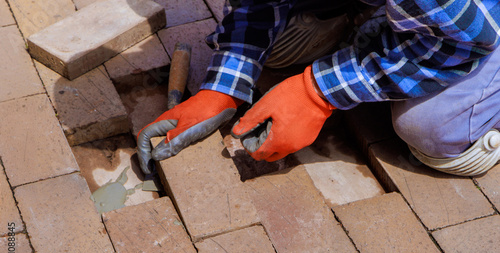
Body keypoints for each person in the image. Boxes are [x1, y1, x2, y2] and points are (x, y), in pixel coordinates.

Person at [137, 0, 500, 177]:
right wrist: (225, 84)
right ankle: (393, 19)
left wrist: (318, 92)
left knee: (435, 129)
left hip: (476, 24)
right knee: (282, 49)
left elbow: (467, 39)